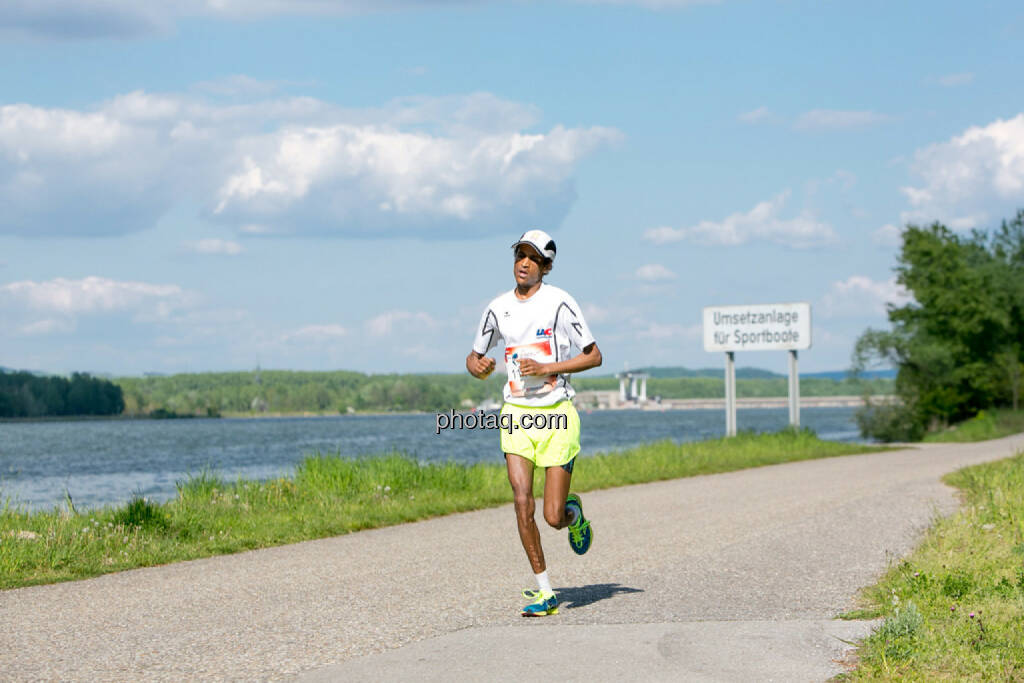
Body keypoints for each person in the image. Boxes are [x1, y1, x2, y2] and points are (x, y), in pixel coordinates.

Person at [466, 229, 603, 617]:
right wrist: (479, 367)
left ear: (545, 265)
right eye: (519, 255)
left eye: (532, 257)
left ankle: (573, 515)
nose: (523, 263)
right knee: (522, 502)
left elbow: (594, 356)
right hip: (516, 415)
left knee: (551, 515)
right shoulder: (496, 308)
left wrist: (548, 368)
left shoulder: (560, 303)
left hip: (557, 414)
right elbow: (474, 358)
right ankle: (546, 592)